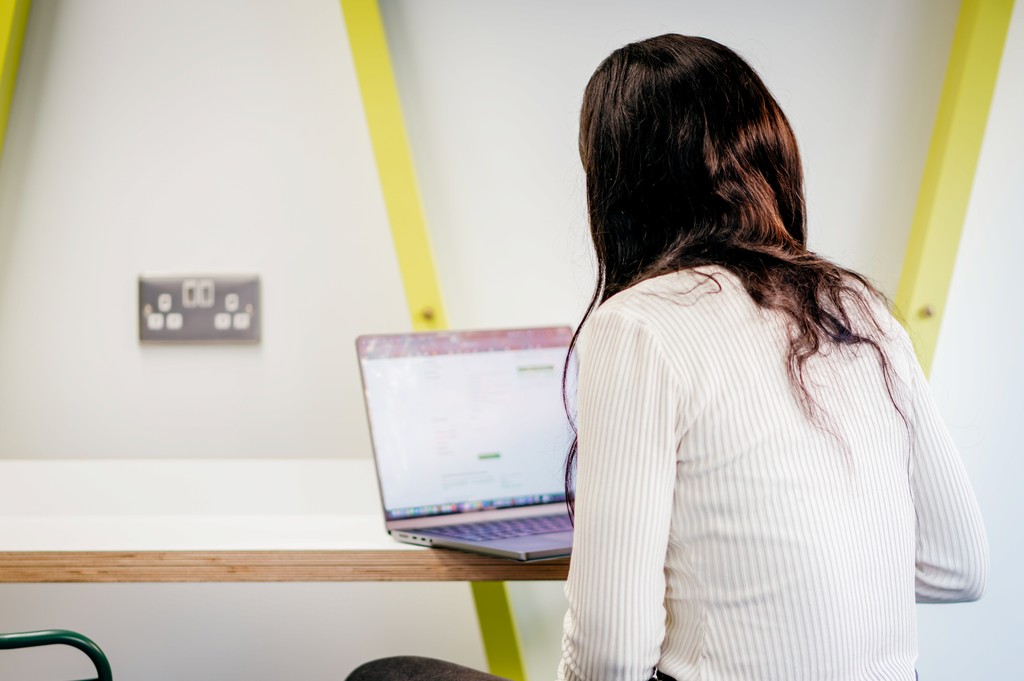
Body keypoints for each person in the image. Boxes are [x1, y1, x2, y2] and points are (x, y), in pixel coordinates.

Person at [347, 34, 987, 681]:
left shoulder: (641, 324)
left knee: (387, 674)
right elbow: (957, 566)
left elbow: (612, 658)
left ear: (621, 185)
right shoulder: (855, 304)